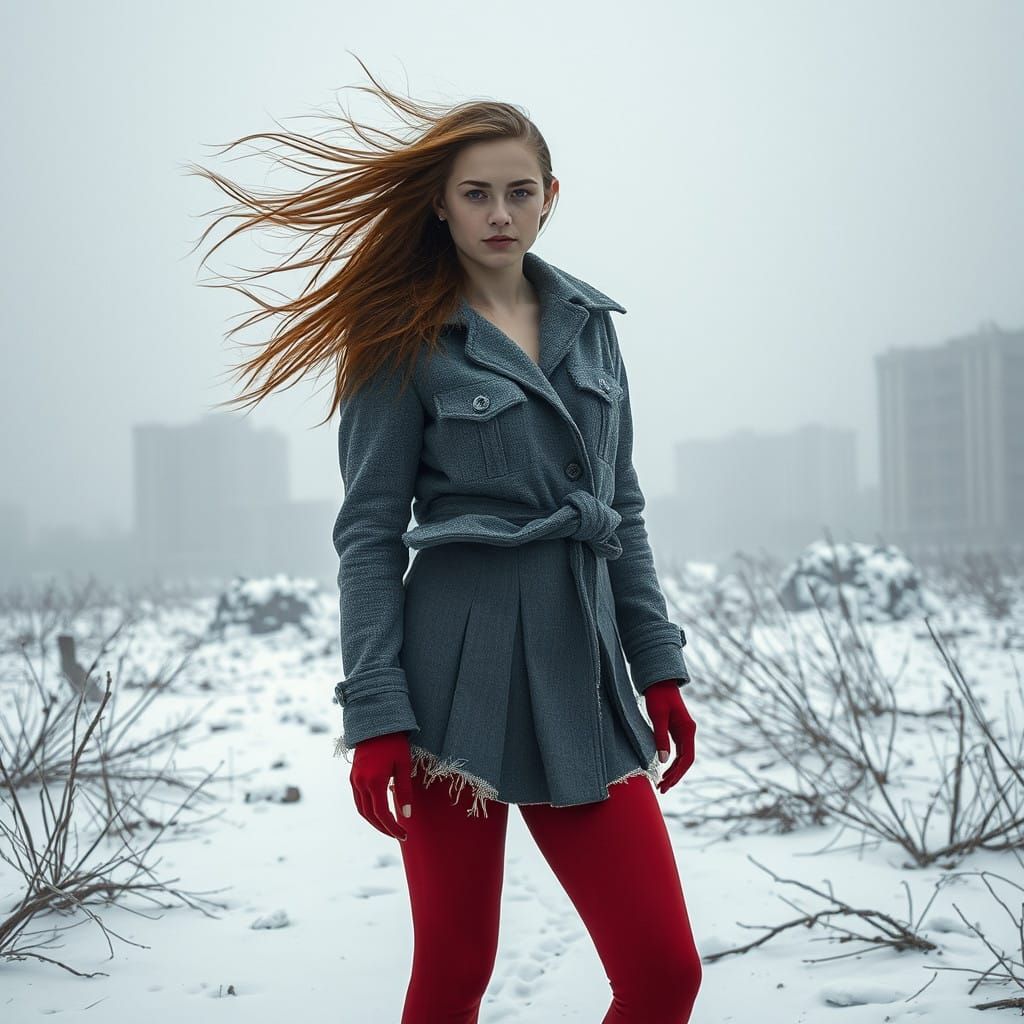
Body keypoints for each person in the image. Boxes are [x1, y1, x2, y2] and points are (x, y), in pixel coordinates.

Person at [188, 55, 701, 1024]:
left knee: (664, 972)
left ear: (550, 198)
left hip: (579, 674)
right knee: (455, 970)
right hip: (446, 687)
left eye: (518, 191)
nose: (499, 212)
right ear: (441, 204)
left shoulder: (593, 328)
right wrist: (376, 714)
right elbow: (369, 535)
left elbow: (620, 508)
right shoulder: (397, 335)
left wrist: (657, 666)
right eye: (476, 194)